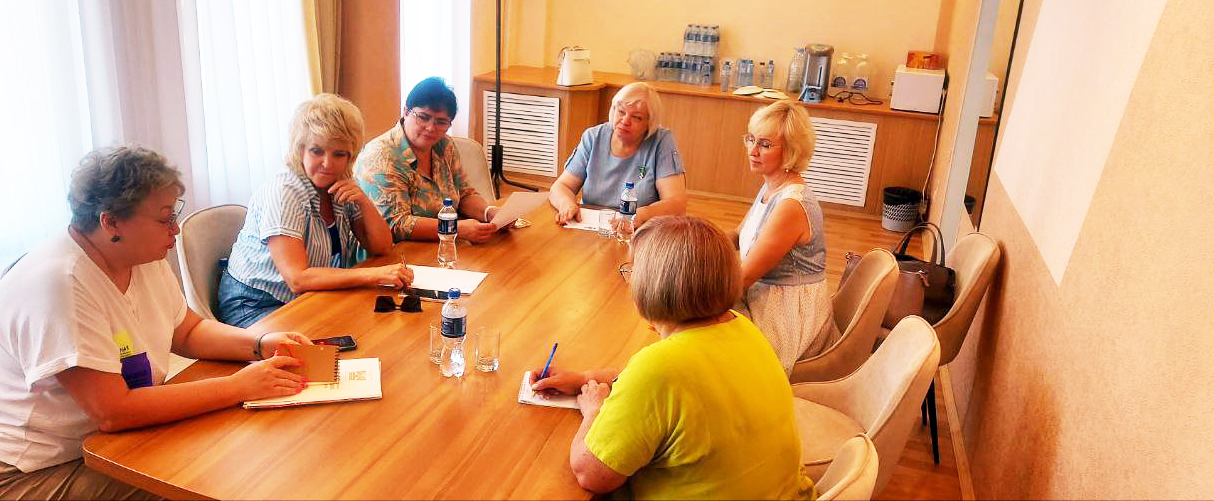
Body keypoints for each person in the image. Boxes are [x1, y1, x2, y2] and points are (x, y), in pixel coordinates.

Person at [0, 146, 313, 501]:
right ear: (111, 222)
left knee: (233, 454)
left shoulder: (139, 253)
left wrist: (259, 343)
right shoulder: (61, 285)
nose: (174, 229)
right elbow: (114, 412)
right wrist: (238, 387)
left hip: (97, 441)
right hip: (21, 470)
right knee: (200, 483)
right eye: (164, 218)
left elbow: (186, 330)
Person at [532, 216, 815, 500]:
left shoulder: (660, 368)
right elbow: (664, 387)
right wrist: (584, 379)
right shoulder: (741, 327)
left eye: (632, 272)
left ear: (653, 285)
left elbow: (590, 474)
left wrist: (593, 410)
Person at [218, 93, 412, 328]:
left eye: (339, 154)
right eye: (317, 151)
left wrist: (363, 201)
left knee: (371, 329)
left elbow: (382, 247)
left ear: (350, 156)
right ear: (300, 150)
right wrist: (374, 275)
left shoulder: (342, 183)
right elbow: (298, 278)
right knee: (325, 352)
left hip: (306, 297)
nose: (328, 163)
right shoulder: (285, 190)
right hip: (255, 303)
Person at [733, 100, 838, 373]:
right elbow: (737, 236)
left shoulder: (792, 204)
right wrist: (688, 243)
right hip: (765, 297)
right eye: (751, 139)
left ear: (791, 151)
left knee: (692, 325)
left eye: (765, 145)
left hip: (786, 318)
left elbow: (744, 276)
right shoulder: (771, 186)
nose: (753, 151)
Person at [358, 76, 502, 243]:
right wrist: (456, 228)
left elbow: (464, 194)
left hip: (438, 245)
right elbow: (397, 225)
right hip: (392, 255)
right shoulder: (382, 157)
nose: (431, 128)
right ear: (406, 112)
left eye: (441, 122)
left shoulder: (444, 145)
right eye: (423, 117)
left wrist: (489, 212)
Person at [548, 82, 686, 230]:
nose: (625, 121)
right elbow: (561, 187)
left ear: (649, 123)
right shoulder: (594, 137)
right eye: (621, 111)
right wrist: (567, 204)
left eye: (636, 117)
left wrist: (641, 215)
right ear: (613, 110)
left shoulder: (661, 141)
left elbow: (676, 204)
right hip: (592, 229)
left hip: (640, 231)